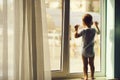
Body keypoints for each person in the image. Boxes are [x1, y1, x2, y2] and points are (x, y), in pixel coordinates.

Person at [74, 14, 100, 80]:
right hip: (91, 51)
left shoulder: (84, 31)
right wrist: (96, 26)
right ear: (91, 22)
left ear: (84, 23)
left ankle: (86, 77)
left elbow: (76, 36)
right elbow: (99, 32)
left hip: (84, 51)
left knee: (85, 65)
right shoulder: (93, 30)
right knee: (92, 64)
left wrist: (76, 29)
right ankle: (92, 76)